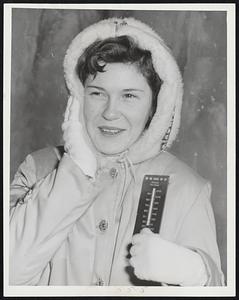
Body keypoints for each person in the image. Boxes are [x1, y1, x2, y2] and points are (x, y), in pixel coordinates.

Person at [9, 17, 225, 286]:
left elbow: (215, 286)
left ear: (155, 107)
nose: (110, 113)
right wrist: (75, 169)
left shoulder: (187, 189)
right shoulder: (37, 170)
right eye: (97, 93)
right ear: (78, 97)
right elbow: (9, 272)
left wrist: (198, 275)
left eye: (129, 96)